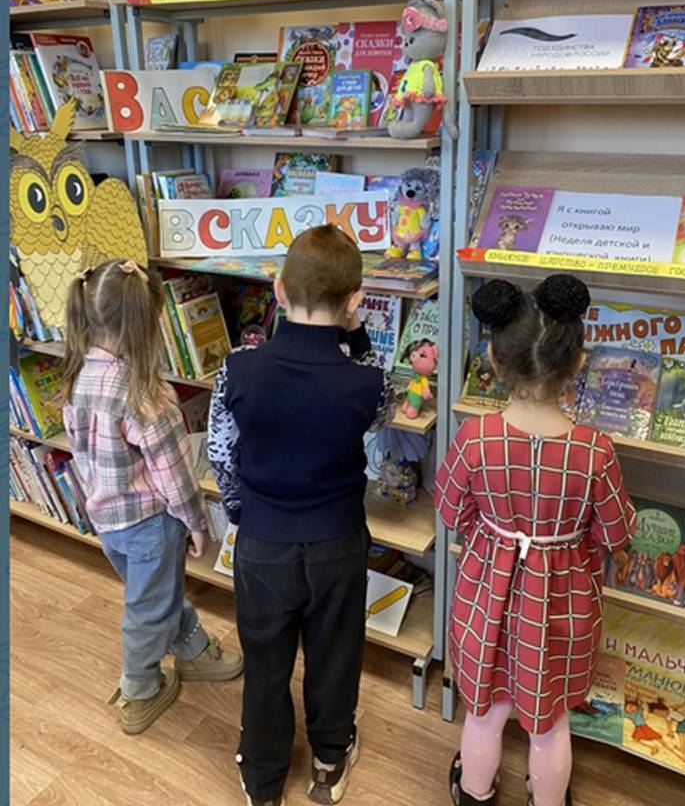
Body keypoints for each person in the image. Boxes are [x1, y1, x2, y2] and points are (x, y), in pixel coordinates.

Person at [208, 225, 396, 806]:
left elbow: (221, 454)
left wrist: (243, 513)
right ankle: (329, 758)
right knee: (335, 656)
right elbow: (381, 413)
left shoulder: (237, 368)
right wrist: (355, 332)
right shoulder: (368, 381)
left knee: (265, 661)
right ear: (355, 299)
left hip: (262, 540)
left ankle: (263, 778)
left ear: (279, 290)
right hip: (337, 541)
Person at [435, 275, 636, 806]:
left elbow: (451, 512)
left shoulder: (474, 437)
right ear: (578, 364)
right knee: (550, 723)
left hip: (485, 600)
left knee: (485, 712)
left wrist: (498, 528)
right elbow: (617, 532)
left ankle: (474, 792)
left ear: (494, 361)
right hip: (563, 609)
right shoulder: (595, 451)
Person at [62, 259, 243, 735]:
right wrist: (197, 523)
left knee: (156, 593)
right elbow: (175, 476)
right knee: (147, 610)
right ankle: (140, 689)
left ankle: (191, 649)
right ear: (146, 326)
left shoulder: (77, 380)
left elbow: (82, 455)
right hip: (150, 525)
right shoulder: (146, 396)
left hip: (108, 521)